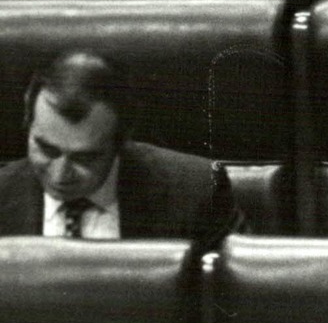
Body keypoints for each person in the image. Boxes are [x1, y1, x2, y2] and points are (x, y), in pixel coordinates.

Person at [0, 50, 241, 249]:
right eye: (47, 150)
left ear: (120, 142)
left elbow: (236, 302)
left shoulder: (194, 192)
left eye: (85, 158)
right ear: (28, 125)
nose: (60, 174)